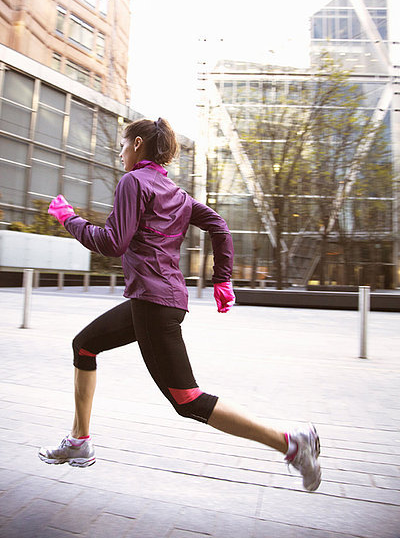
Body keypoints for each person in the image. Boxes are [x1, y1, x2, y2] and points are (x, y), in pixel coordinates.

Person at [38, 117, 321, 492]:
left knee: (187, 400)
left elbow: (113, 242)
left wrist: (69, 220)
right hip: (156, 300)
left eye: (122, 145)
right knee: (84, 345)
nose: (120, 152)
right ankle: (79, 441)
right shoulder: (176, 193)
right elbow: (219, 225)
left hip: (154, 305)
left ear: (137, 144)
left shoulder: (133, 182)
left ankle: (291, 443)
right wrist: (222, 279)